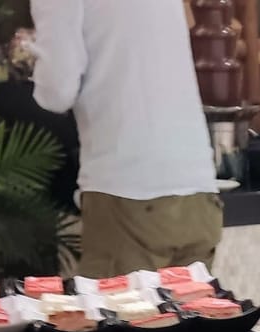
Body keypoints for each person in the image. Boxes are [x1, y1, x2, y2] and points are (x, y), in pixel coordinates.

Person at [31, 0, 224, 277]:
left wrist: (36, 59)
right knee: (190, 306)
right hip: (199, 192)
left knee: (113, 305)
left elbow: (57, 91)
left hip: (129, 192)